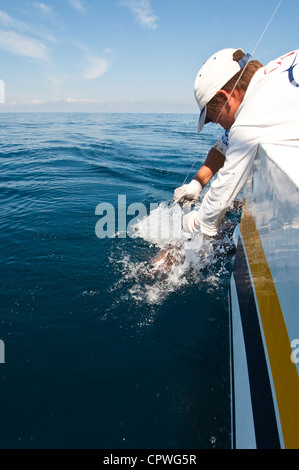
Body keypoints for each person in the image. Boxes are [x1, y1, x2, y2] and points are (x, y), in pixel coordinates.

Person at [175, 47, 299, 236]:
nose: (217, 124)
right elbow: (225, 144)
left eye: (212, 118)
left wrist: (193, 223)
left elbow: (221, 196)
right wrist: (197, 184)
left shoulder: (250, 119)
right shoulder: (275, 72)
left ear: (224, 97)